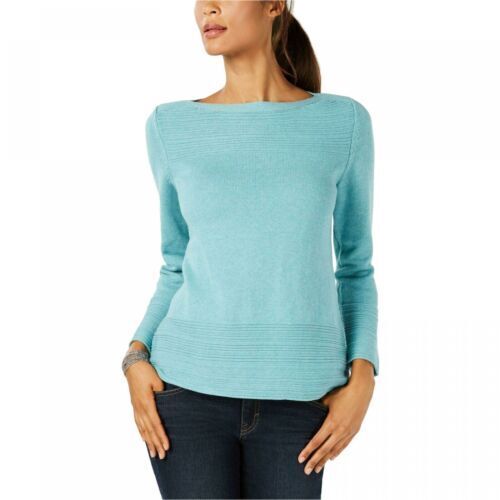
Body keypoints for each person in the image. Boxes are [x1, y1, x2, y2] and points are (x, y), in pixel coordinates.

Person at [122, 1, 379, 498]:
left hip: (301, 401)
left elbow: (355, 268)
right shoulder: (170, 126)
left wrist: (363, 375)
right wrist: (135, 358)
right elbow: (176, 265)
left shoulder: (342, 123)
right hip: (184, 394)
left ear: (274, 5)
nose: (208, 8)